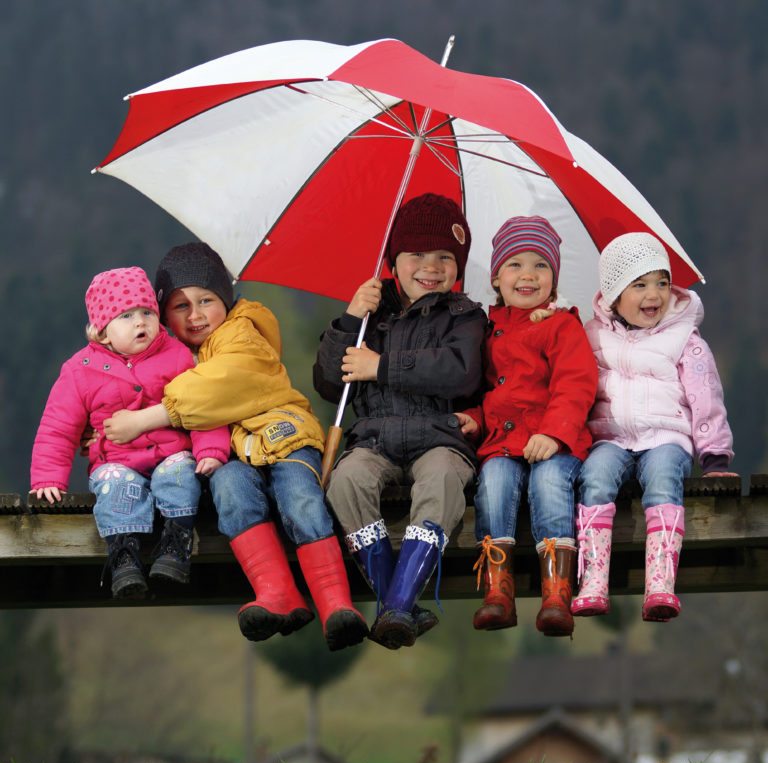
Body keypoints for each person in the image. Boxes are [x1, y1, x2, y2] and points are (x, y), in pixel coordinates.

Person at [102, 243, 368, 651]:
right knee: (230, 493)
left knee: (299, 495)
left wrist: (144, 419)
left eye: (206, 300)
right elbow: (119, 397)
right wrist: (103, 434)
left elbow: (220, 383)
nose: (195, 315)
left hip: (282, 436)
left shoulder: (243, 333)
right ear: (162, 315)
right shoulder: (168, 355)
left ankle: (335, 602)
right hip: (228, 452)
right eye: (180, 306)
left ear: (225, 300)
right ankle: (277, 592)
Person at [314, 193, 487, 650]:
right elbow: (330, 385)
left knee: (443, 482)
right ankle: (400, 608)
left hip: (440, 436)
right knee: (346, 482)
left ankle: (397, 601)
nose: (429, 266)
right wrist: (350, 319)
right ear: (394, 260)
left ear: (459, 266)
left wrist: (382, 366)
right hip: (374, 438)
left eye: (444, 257)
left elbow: (460, 370)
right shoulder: (371, 312)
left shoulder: (465, 315)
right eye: (416, 255)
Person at [30, 267, 230, 598]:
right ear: (102, 333)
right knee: (113, 484)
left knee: (180, 471)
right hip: (117, 459)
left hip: (170, 453)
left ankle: (175, 540)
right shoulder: (80, 370)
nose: (140, 322)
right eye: (126, 316)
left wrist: (211, 451)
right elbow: (58, 427)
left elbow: (203, 409)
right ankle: (124, 553)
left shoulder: (177, 356)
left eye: (147, 312)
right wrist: (48, 478)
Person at [572, 232, 735, 622]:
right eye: (640, 284)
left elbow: (706, 398)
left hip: (666, 437)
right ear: (613, 294)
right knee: (595, 477)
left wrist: (713, 455)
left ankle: (660, 584)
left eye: (662, 283)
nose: (654, 294)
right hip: (610, 438)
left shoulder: (684, 338)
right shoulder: (592, 337)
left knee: (662, 478)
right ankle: (593, 580)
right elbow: (576, 388)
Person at [457, 216, 597, 638]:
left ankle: (557, 594)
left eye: (540, 265)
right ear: (496, 277)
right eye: (515, 265)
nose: (528, 275)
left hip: (555, 442)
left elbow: (576, 383)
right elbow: (484, 392)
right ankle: (498, 592)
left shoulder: (561, 325)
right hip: (503, 444)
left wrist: (554, 433)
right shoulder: (486, 331)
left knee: (549, 484)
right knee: (494, 482)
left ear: (553, 278)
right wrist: (474, 420)